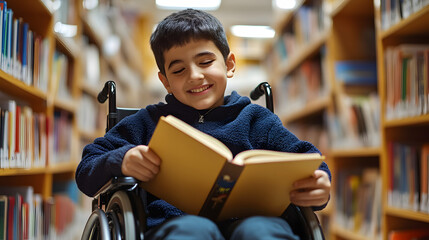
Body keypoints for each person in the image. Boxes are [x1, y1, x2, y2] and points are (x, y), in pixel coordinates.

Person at [76, 8, 331, 240]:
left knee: (259, 232)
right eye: (178, 71)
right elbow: (87, 167)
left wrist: (318, 184)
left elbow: (308, 161)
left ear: (229, 64)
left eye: (205, 62)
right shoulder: (147, 123)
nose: (195, 76)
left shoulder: (256, 119)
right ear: (165, 82)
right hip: (176, 225)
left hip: (257, 222)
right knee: (194, 231)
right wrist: (124, 158)